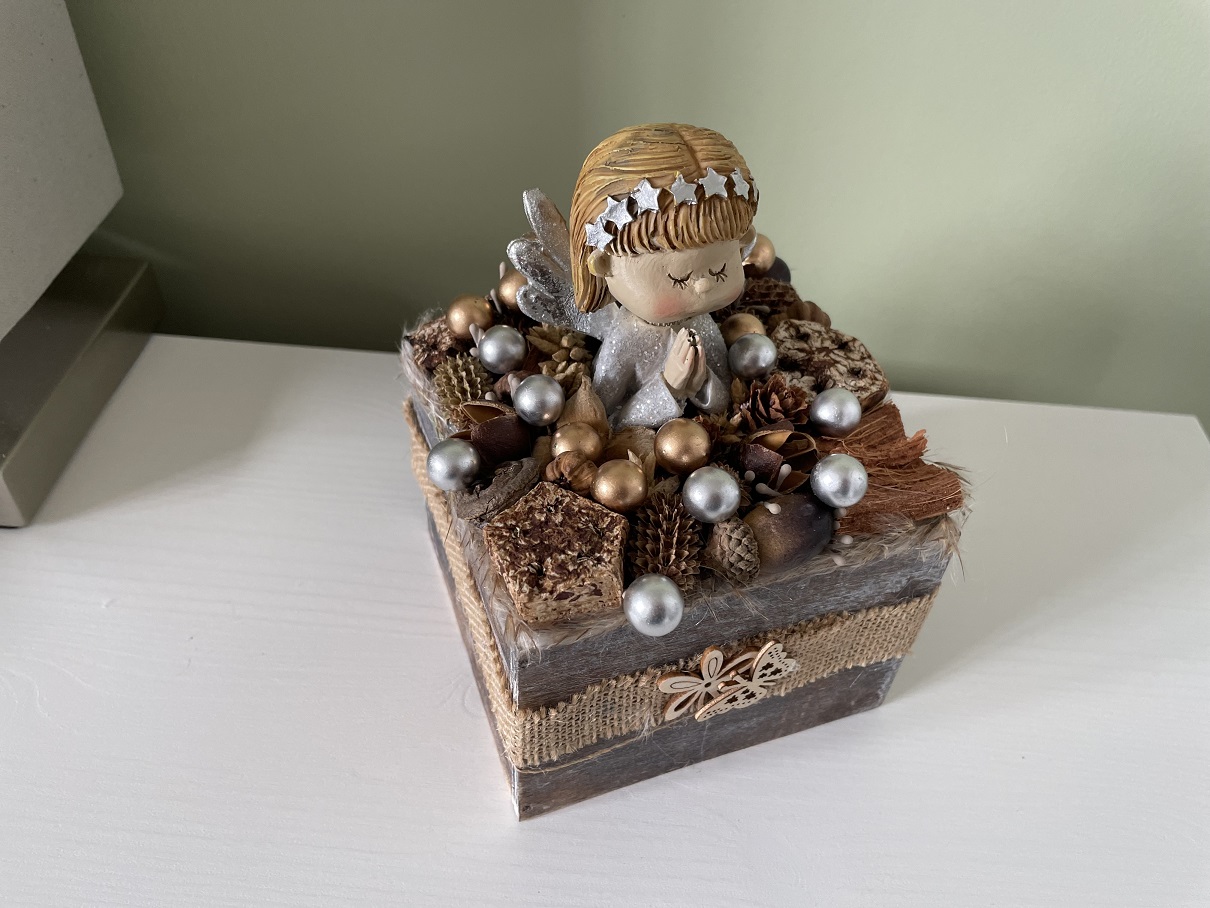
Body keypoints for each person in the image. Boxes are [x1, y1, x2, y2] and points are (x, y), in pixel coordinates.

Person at [510, 123, 759, 429]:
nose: (704, 285)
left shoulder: (702, 326)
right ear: (604, 265)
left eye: (720, 270)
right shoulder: (625, 341)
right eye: (678, 279)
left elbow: (728, 401)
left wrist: (702, 383)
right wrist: (669, 387)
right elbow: (607, 421)